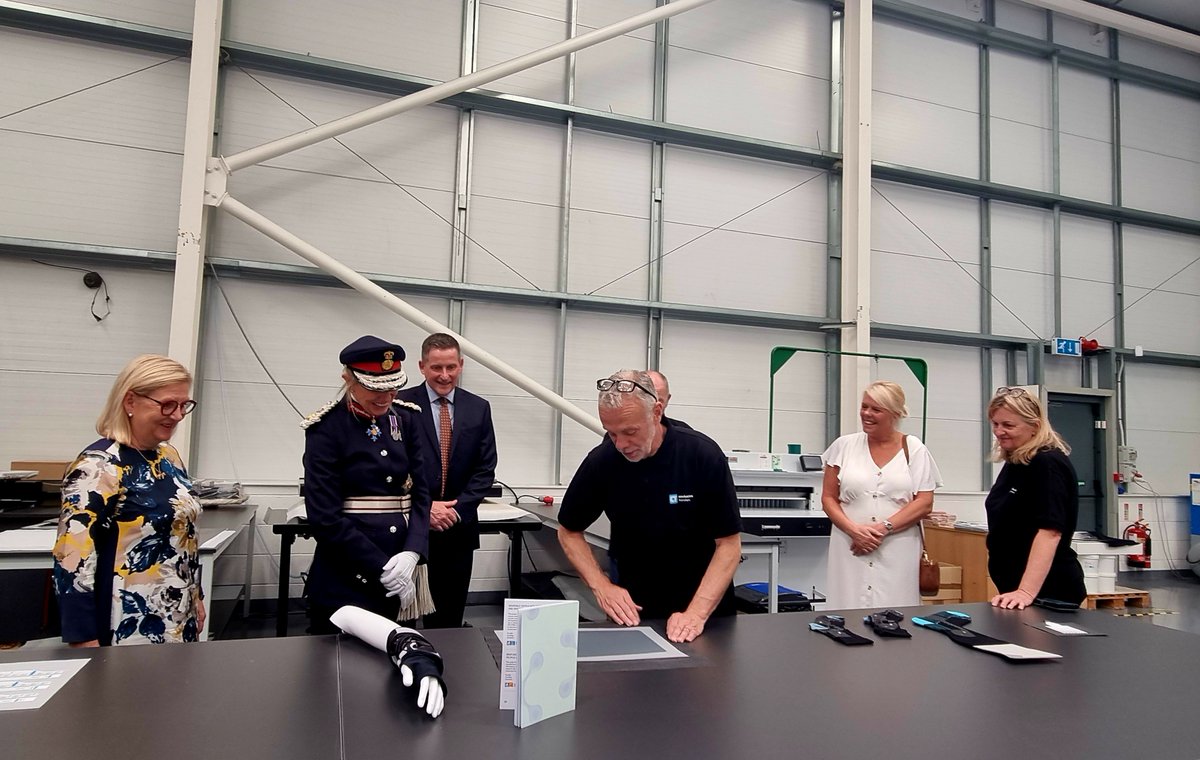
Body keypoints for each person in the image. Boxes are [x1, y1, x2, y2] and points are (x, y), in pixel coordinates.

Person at [557, 370, 742, 643]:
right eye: (612, 433)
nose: (621, 444)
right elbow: (568, 530)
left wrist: (696, 614)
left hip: (705, 611)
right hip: (635, 612)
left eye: (630, 432)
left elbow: (728, 544)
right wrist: (601, 587)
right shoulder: (603, 462)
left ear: (656, 412)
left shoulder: (701, 455)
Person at [52, 354, 205, 646]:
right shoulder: (98, 467)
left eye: (183, 405)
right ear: (130, 402)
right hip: (129, 624)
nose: (177, 416)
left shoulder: (168, 457)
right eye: (167, 405)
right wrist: (83, 638)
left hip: (176, 614)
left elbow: (183, 537)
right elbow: (72, 560)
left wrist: (196, 596)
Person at [302, 335, 432, 634]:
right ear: (348, 379)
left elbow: (421, 494)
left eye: (392, 387)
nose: (386, 397)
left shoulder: (407, 419)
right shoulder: (326, 429)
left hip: (403, 569)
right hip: (349, 571)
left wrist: (413, 551)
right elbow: (325, 518)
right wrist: (381, 566)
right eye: (375, 389)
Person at [397, 333, 497, 629]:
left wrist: (454, 511)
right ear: (422, 366)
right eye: (436, 368)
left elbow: (485, 468)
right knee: (401, 613)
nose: (444, 375)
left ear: (461, 365)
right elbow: (394, 465)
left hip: (458, 529)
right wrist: (426, 508)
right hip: (411, 526)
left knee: (450, 617)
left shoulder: (478, 408)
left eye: (451, 367)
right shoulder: (401, 405)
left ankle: (447, 671)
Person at [820, 380, 942, 609]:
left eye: (876, 409)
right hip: (850, 545)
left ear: (895, 413)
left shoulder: (914, 449)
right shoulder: (843, 446)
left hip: (898, 547)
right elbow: (828, 498)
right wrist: (853, 530)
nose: (867, 414)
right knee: (847, 607)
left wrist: (882, 528)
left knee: (897, 612)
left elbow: (924, 503)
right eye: (864, 407)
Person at [985, 387, 1086, 609]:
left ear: (1035, 426)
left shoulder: (1047, 463)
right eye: (995, 424)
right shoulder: (1018, 461)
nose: (999, 431)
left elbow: (1050, 532)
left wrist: (1026, 591)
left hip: (1048, 591)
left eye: (1008, 425)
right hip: (1016, 590)